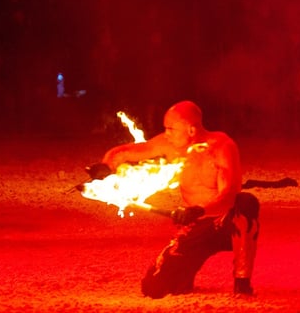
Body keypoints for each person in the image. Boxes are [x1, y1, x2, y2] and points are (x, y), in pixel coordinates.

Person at [86, 100, 259, 298]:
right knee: (154, 288)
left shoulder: (221, 147)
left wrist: (200, 209)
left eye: (171, 129)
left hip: (224, 223)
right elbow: (126, 152)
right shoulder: (168, 145)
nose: (166, 134)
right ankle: (184, 276)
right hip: (195, 226)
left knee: (246, 203)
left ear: (191, 129)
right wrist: (105, 166)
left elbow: (228, 196)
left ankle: (242, 282)